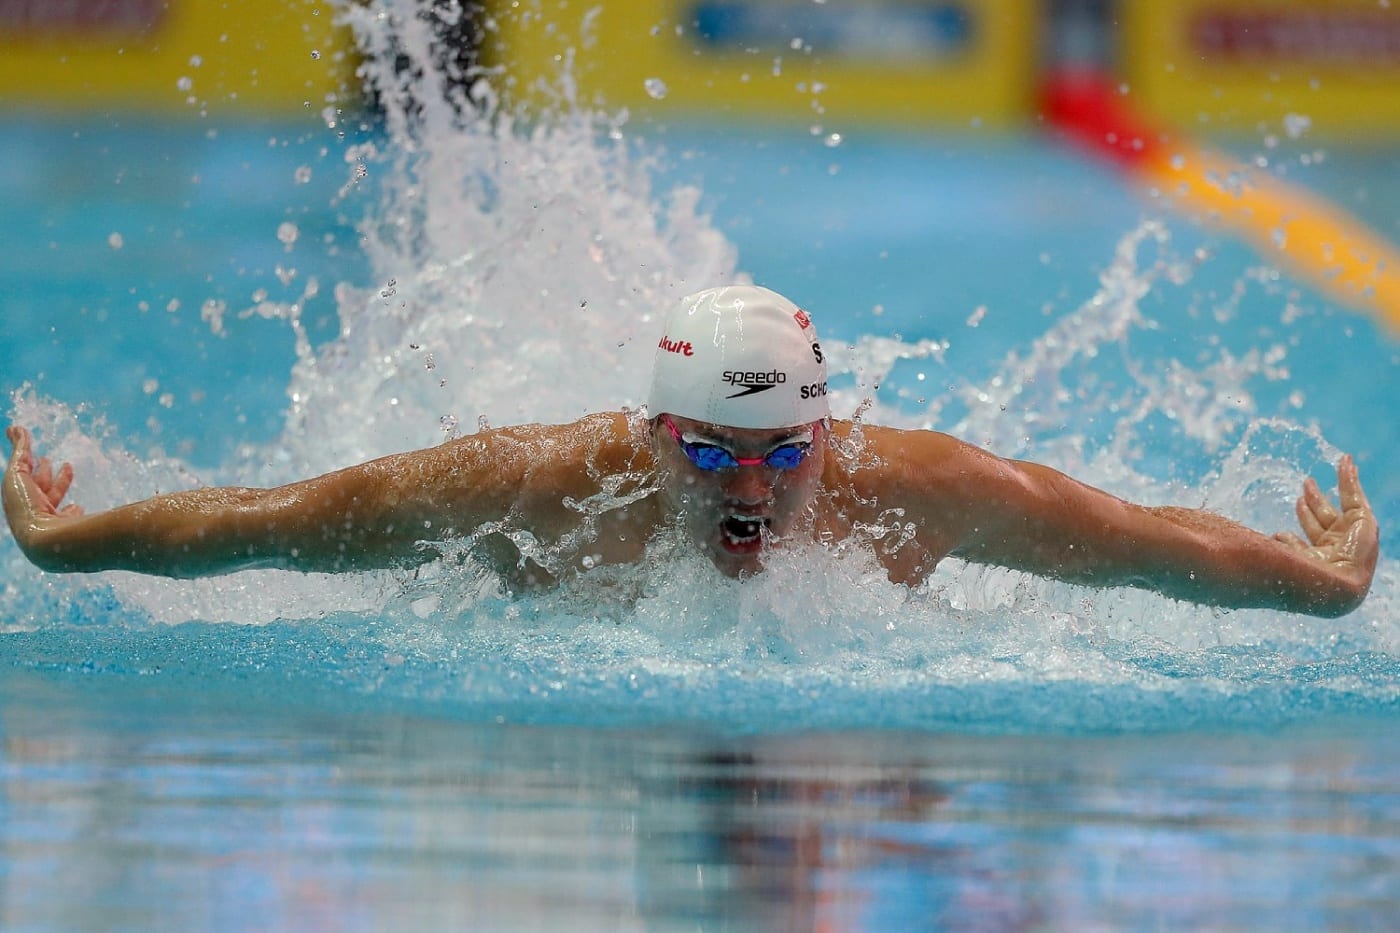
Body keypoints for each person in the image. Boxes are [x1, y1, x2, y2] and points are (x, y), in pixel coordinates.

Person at [3, 285, 1379, 616]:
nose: (753, 489)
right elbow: (276, 519)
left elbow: (1141, 542)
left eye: (784, 455)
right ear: (655, 433)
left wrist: (1313, 580)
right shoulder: (536, 482)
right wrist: (70, 541)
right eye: (713, 455)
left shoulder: (922, 492)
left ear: (827, 431)